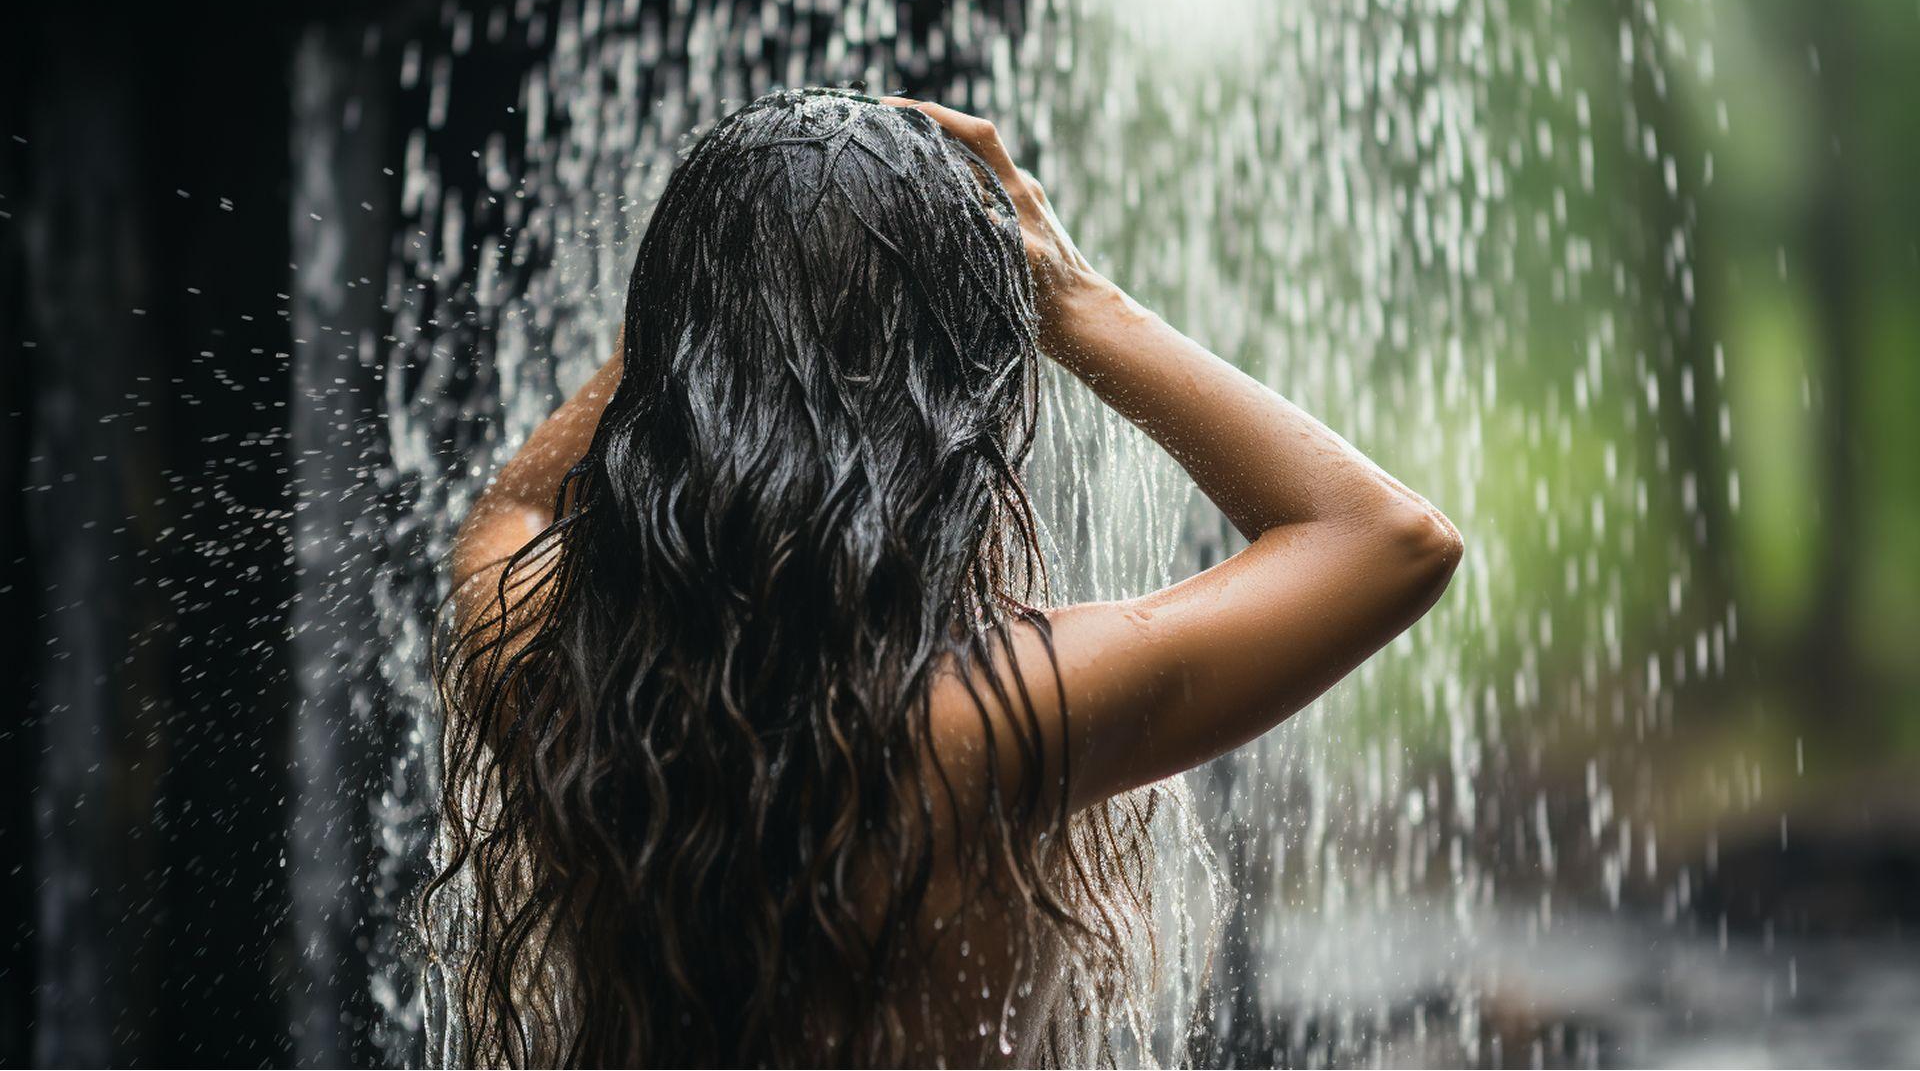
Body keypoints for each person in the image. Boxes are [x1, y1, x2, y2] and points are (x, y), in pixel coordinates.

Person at [429, 87, 1461, 1068]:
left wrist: (698, 317)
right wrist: (1079, 302)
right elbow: (1387, 539)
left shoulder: (552, 677)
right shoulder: (987, 719)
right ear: (951, 395)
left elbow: (511, 514)